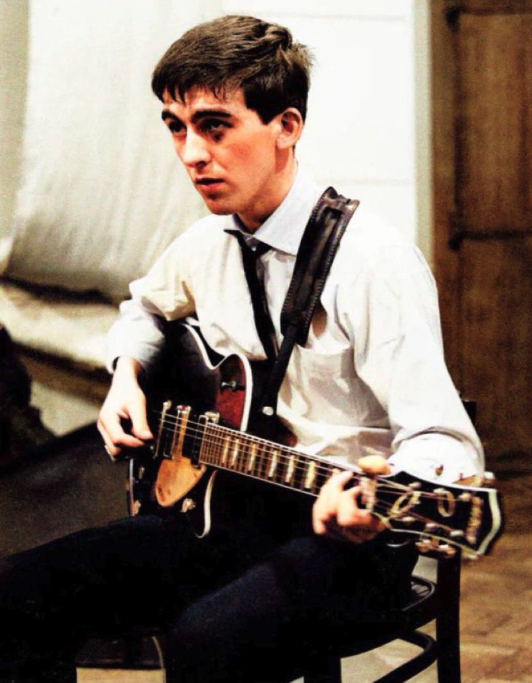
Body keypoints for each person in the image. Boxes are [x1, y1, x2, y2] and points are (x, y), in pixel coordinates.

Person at [0, 14, 483, 683]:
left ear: (285, 126)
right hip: (230, 514)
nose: (191, 152)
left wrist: (388, 495)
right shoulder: (207, 243)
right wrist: (126, 377)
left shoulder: (375, 262)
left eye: (214, 125)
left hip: (347, 542)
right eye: (176, 126)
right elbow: (144, 306)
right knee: (15, 590)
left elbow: (445, 440)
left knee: (208, 642)